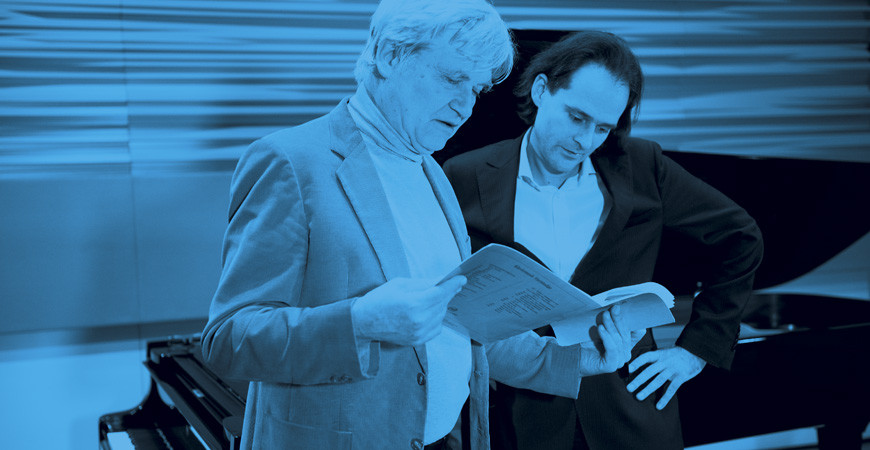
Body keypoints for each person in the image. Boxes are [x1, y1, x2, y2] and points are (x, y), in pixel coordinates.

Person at [201, 4, 637, 449]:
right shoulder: (290, 162)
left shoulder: (432, 172)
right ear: (390, 55)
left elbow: (463, 325)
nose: (465, 107)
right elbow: (228, 339)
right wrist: (360, 322)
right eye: (452, 79)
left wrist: (573, 360)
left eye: (476, 89)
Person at [443, 31, 764, 450]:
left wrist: (697, 349)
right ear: (541, 90)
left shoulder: (643, 167)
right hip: (519, 412)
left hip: (631, 404)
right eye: (577, 118)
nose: (585, 141)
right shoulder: (464, 175)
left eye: (601, 128)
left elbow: (742, 237)